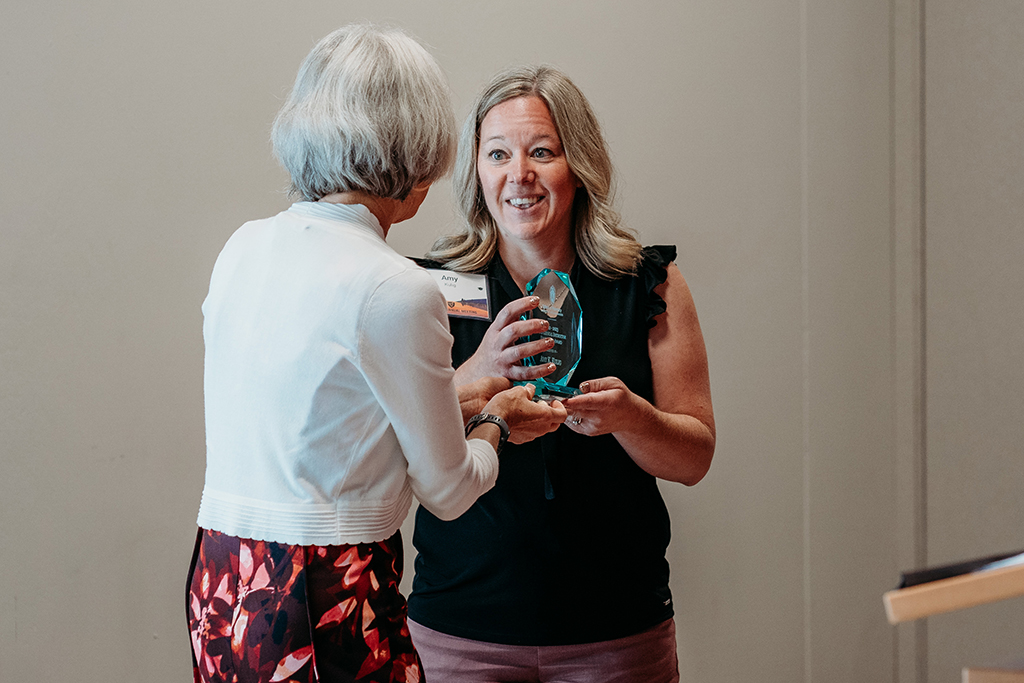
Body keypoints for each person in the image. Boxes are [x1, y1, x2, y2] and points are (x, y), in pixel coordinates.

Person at [186, 28, 566, 683]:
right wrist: (497, 421)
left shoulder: (243, 248)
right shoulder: (396, 287)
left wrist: (452, 400)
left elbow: (329, 427)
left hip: (221, 579)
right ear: (415, 152)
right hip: (323, 589)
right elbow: (448, 491)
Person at [407, 66, 716, 683]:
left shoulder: (645, 284)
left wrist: (632, 417)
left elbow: (695, 458)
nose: (518, 175)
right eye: (498, 154)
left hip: (617, 632)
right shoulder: (434, 290)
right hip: (462, 630)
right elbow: (398, 446)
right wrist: (480, 371)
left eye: (541, 152)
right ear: (477, 172)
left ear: (578, 166)